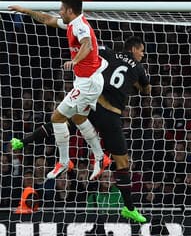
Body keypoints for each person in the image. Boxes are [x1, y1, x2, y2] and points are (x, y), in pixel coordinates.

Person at [11, 36, 150, 223]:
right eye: (141, 50)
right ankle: (129, 208)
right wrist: (136, 83)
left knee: (62, 121)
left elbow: (91, 53)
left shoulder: (108, 53)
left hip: (93, 101)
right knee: (123, 163)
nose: (143, 54)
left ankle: (23, 141)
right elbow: (147, 90)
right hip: (110, 115)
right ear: (134, 49)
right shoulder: (139, 68)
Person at [9, 0, 109, 180]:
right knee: (79, 118)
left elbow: (86, 43)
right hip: (87, 80)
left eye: (62, 9)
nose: (60, 12)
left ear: (70, 10)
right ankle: (101, 157)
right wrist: (25, 11)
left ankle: (64, 162)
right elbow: (48, 19)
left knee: (56, 118)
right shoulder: (72, 24)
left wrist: (75, 60)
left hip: (88, 83)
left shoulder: (80, 26)